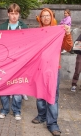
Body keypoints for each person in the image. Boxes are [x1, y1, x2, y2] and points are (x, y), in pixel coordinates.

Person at [32, 8, 73, 136]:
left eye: (47, 15)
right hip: (39, 69)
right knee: (40, 95)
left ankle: (52, 123)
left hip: (54, 69)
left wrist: (67, 34)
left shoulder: (58, 31)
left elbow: (68, 47)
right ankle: (41, 116)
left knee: (52, 96)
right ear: (40, 18)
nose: (45, 18)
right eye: (43, 16)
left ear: (51, 17)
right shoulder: (37, 32)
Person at [0, 3, 28, 121]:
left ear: (19, 14)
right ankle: (4, 109)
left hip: (19, 62)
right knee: (4, 87)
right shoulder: (2, 27)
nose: (14, 16)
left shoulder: (24, 27)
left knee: (17, 88)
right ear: (8, 14)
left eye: (16, 13)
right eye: (12, 13)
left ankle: (16, 110)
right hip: (5, 62)